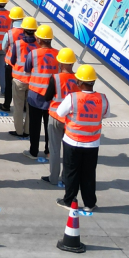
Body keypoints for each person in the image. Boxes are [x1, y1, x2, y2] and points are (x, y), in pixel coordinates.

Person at [55, 65, 108, 210]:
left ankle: (69, 201)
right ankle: (90, 203)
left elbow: (60, 113)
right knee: (89, 174)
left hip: (72, 141)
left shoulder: (72, 98)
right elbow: (105, 114)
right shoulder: (103, 99)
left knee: (71, 172)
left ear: (79, 82)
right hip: (92, 143)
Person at [43, 48, 79, 187]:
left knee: (54, 149)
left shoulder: (56, 78)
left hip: (56, 116)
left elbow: (47, 97)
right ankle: (66, 178)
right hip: (70, 119)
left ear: (61, 63)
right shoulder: (78, 79)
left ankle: (53, 178)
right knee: (69, 151)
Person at [23, 24, 59, 163]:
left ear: (38, 39)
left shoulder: (33, 54)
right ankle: (49, 152)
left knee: (34, 125)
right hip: (52, 96)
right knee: (49, 126)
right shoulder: (58, 54)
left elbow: (27, 71)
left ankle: (33, 151)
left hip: (35, 95)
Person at [7, 17, 38, 138]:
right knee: (30, 108)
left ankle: (19, 131)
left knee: (18, 107)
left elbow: (12, 61)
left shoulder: (18, 44)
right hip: (33, 82)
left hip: (19, 79)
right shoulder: (38, 45)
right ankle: (28, 131)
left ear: (23, 29)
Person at [0, 7, 26, 111]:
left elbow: (3, 47)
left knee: (9, 85)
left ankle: (7, 105)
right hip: (24, 64)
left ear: (12, 19)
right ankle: (24, 106)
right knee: (24, 86)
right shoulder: (28, 32)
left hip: (10, 64)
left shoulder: (9, 33)